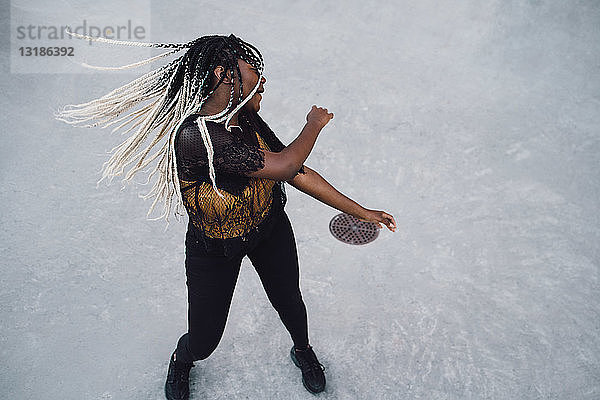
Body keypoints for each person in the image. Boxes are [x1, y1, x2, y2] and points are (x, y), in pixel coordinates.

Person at [56, 33, 396, 400]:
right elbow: (286, 165)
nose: (262, 79)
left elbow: (296, 172)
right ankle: (182, 358)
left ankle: (302, 350)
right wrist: (313, 123)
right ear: (223, 74)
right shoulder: (195, 137)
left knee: (291, 303)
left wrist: (361, 211)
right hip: (214, 248)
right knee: (204, 339)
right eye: (253, 70)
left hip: (268, 228)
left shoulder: (246, 117)